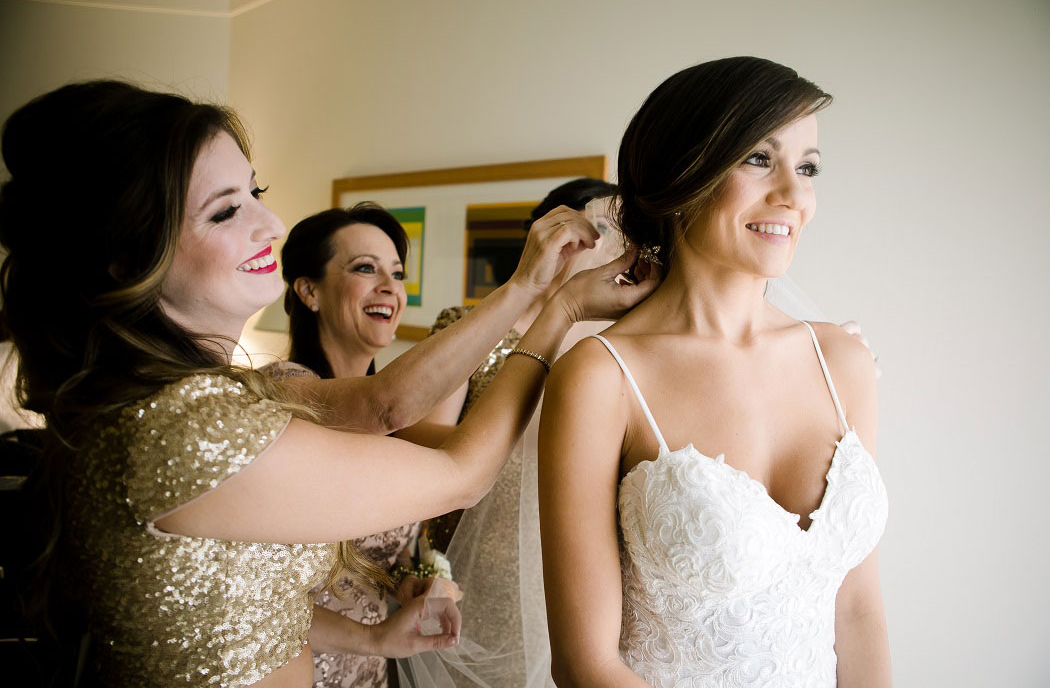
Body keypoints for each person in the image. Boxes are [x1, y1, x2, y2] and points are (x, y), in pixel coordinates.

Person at [0, 80, 656, 687]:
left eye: (254, 194)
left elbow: (245, 593)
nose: (272, 226)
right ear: (129, 259)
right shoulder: (189, 435)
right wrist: (558, 310)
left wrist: (370, 638)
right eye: (226, 212)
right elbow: (460, 472)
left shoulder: (210, 397)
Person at [538, 57, 890, 686]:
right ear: (683, 176)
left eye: (807, 167)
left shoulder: (843, 360)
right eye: (759, 159)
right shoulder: (602, 378)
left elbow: (857, 610)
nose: (793, 195)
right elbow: (586, 665)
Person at [399, 178, 623, 688]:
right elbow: (417, 434)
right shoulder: (471, 324)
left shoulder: (611, 346)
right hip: (472, 555)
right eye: (597, 231)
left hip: (567, 556)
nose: (606, 250)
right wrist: (509, 450)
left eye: (618, 237)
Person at [264, 203, 426, 688]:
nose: (389, 287)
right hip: (299, 671)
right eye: (364, 268)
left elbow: (374, 555)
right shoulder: (285, 392)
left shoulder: (393, 420)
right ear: (309, 290)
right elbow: (262, 593)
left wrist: (407, 582)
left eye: (396, 274)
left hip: (369, 675)